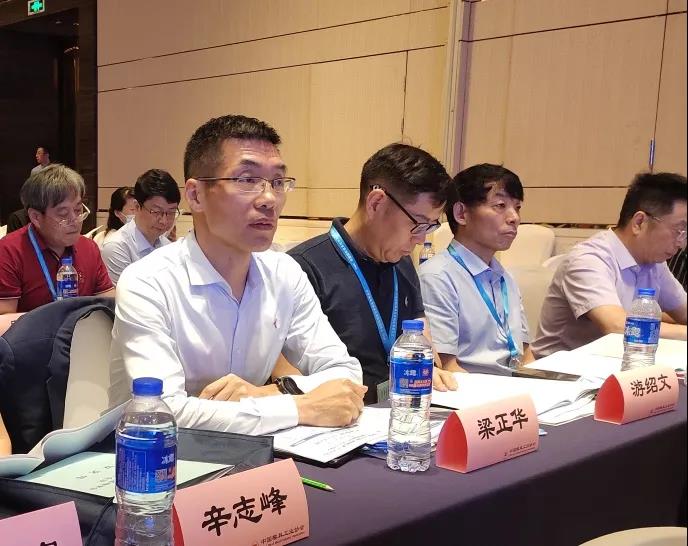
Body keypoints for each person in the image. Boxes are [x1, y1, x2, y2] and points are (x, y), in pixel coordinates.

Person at [109, 114, 365, 435]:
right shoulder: (148, 282)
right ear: (196, 195)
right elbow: (162, 411)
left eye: (277, 182)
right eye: (247, 180)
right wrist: (299, 407)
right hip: (149, 456)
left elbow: (346, 374)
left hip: (254, 453)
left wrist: (271, 392)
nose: (269, 199)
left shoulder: (284, 273)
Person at [288, 143, 458, 404]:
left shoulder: (402, 261)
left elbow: (423, 338)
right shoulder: (302, 267)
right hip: (343, 416)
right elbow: (291, 379)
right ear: (376, 203)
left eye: (430, 226)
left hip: (403, 410)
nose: (421, 238)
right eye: (418, 224)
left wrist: (432, 371)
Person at [532, 172, 687, 358]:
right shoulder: (588, 259)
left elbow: (684, 312)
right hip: (557, 371)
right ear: (639, 222)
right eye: (679, 230)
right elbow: (617, 326)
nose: (681, 243)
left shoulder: (653, 263)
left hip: (618, 366)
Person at [419, 164, 532, 374]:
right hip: (470, 390)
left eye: (517, 207)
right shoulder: (438, 277)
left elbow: (525, 355)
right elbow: (446, 367)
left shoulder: (505, 278)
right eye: (500, 205)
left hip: (514, 387)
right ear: (461, 213)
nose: (514, 218)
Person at [0, 164, 114, 315]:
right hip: (33, 330)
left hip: (83, 329)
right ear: (36, 217)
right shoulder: (9, 251)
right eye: (63, 214)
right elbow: (4, 318)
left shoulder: (88, 247)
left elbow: (109, 303)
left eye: (78, 210)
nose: (75, 220)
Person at [101, 170, 180, 283]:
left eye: (171, 212)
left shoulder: (166, 245)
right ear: (137, 207)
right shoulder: (116, 246)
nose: (164, 221)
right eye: (156, 211)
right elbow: (127, 293)